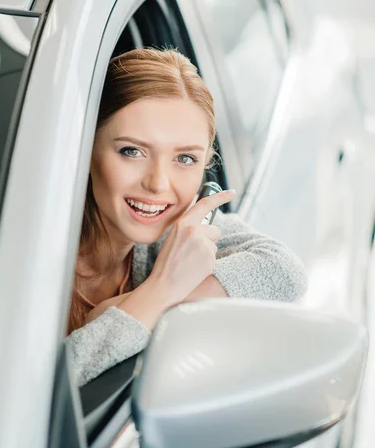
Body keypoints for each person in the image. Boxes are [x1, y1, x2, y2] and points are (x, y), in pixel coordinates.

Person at [66, 48, 307, 387]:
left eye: (185, 159)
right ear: (86, 150)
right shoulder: (22, 259)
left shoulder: (178, 228)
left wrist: (130, 305)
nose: (158, 184)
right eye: (132, 151)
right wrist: (161, 291)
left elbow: (284, 271)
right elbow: (31, 397)